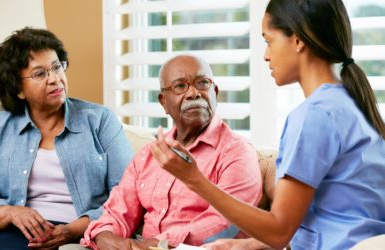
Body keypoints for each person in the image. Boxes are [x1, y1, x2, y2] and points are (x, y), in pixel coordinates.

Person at [151, 0, 385, 249]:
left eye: (268, 41)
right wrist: (245, 245)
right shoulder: (351, 103)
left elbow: (279, 231)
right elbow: (337, 218)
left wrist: (194, 179)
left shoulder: (314, 116)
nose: (265, 55)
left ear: (297, 39)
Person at [0, 27, 133, 250]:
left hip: (83, 233)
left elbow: (128, 197)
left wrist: (73, 230)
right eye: (40, 74)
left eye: (57, 67)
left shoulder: (100, 120)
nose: (55, 79)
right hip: (16, 235)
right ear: (18, 89)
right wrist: (11, 213)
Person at [81, 55, 263, 249]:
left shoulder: (237, 153)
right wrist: (104, 237)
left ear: (214, 92)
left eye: (202, 83)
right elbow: (117, 212)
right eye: (180, 86)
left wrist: (149, 246)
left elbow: (224, 223)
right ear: (163, 102)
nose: (194, 93)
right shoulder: (149, 155)